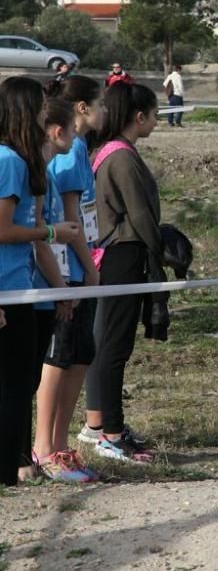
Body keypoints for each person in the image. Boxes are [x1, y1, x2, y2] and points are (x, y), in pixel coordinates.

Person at [0, 77, 79, 486]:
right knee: (16, 382)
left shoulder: (16, 160)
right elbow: (3, 230)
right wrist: (51, 233)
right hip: (10, 289)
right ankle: (11, 465)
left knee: (21, 380)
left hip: (22, 287)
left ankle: (16, 460)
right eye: (37, 109)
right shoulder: (9, 162)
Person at [81, 82, 164, 463]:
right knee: (114, 346)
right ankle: (111, 433)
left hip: (113, 253)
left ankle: (100, 423)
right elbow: (140, 213)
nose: (158, 120)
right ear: (140, 116)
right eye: (155, 113)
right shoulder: (123, 157)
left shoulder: (107, 151)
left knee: (108, 343)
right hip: (122, 255)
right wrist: (160, 246)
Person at [38, 76, 104, 480]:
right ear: (81, 108)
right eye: (101, 103)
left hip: (80, 264)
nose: (106, 111)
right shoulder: (70, 149)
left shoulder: (80, 148)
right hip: (68, 268)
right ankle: (45, 447)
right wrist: (90, 265)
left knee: (81, 352)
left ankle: (62, 444)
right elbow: (70, 216)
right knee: (59, 356)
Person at [24, 97, 84, 482]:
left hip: (51, 281)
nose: (78, 135)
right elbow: (41, 239)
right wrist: (62, 288)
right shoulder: (34, 171)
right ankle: (41, 451)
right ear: (57, 131)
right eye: (74, 128)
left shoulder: (42, 169)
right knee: (44, 364)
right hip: (37, 284)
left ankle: (47, 450)